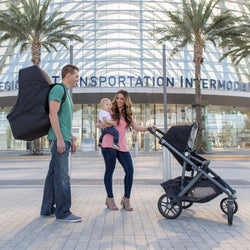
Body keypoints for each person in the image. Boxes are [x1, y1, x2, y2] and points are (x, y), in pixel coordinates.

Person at [96, 89, 156, 211]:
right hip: (108, 144)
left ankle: (126, 199)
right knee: (110, 170)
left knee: (130, 170)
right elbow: (97, 124)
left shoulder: (128, 114)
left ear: (125, 101)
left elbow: (137, 127)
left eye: (121, 98)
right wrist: (105, 125)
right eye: (117, 98)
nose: (118, 100)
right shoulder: (109, 110)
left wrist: (148, 128)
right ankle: (110, 199)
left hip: (122, 145)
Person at [40, 64, 81, 222]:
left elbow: (65, 120)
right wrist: (59, 138)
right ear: (68, 75)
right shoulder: (58, 89)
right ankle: (63, 212)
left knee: (53, 174)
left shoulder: (66, 93)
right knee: (62, 176)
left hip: (64, 137)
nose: (78, 79)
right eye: (76, 76)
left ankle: (47, 208)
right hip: (59, 139)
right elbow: (52, 114)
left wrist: (71, 138)